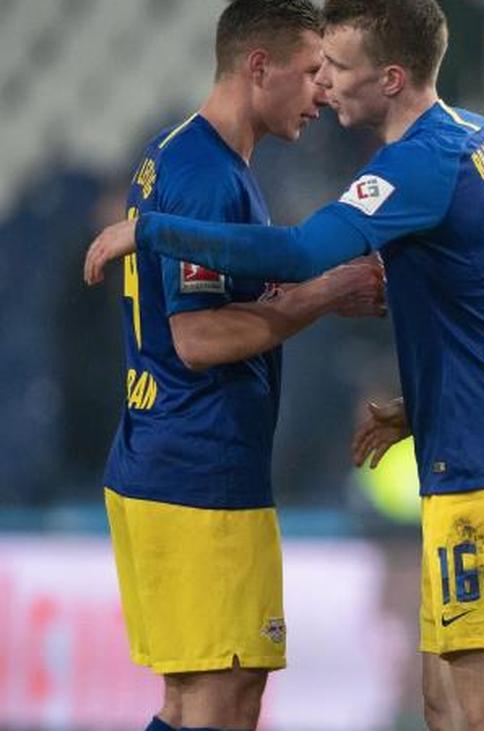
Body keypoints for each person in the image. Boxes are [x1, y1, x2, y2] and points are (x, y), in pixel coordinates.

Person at [84, 1, 484, 728]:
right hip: (464, 456)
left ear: (391, 78)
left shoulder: (415, 163)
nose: (326, 85)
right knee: (443, 706)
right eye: (318, 68)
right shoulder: (481, 138)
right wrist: (429, 401)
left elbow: (303, 252)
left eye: (337, 68)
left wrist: (151, 231)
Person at [96, 2, 387, 730]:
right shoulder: (209, 179)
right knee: (220, 698)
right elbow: (197, 338)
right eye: (312, 71)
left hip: (169, 455)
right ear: (259, 67)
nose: (323, 91)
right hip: (197, 468)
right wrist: (325, 293)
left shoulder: (178, 151)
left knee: (204, 696)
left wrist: (291, 294)